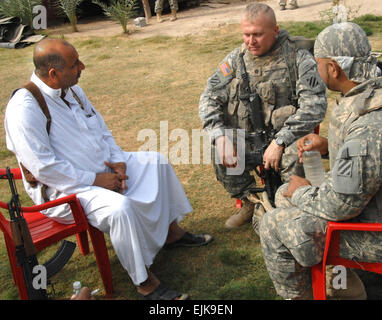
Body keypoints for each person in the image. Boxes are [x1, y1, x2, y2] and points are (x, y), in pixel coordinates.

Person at [4, 38, 213, 300]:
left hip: (103, 170)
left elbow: (102, 130)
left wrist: (118, 162)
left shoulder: (73, 90)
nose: (82, 66)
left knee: (157, 162)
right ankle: (145, 283)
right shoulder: (24, 108)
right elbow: (44, 168)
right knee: (120, 209)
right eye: (74, 64)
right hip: (63, 191)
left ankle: (172, 234)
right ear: (53, 74)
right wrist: (96, 179)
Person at [259, 22, 382, 300]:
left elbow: (340, 206)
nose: (314, 69)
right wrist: (327, 148)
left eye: (318, 63)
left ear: (334, 68)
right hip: (372, 206)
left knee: (275, 222)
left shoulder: (369, 123)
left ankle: (304, 295)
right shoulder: (371, 93)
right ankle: (338, 281)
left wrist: (301, 191)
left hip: (375, 234)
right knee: (283, 195)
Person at [198, 2, 327, 229]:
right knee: (217, 149)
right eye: (246, 34)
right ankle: (251, 200)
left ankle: (291, 206)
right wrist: (219, 136)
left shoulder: (297, 57)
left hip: (287, 141)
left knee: (293, 155)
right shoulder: (236, 60)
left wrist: (280, 141)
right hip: (249, 139)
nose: (250, 41)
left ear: (275, 31)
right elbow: (209, 97)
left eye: (257, 34)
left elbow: (314, 107)